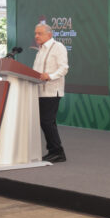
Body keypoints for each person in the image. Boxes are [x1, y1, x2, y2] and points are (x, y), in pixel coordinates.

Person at [33, 23, 69, 163]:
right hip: (39, 91)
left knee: (46, 122)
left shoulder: (58, 47)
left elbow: (64, 68)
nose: (36, 36)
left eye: (39, 33)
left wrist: (50, 76)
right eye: (35, 33)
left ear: (49, 34)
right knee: (46, 122)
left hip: (52, 91)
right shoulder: (40, 50)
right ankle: (53, 151)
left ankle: (58, 152)